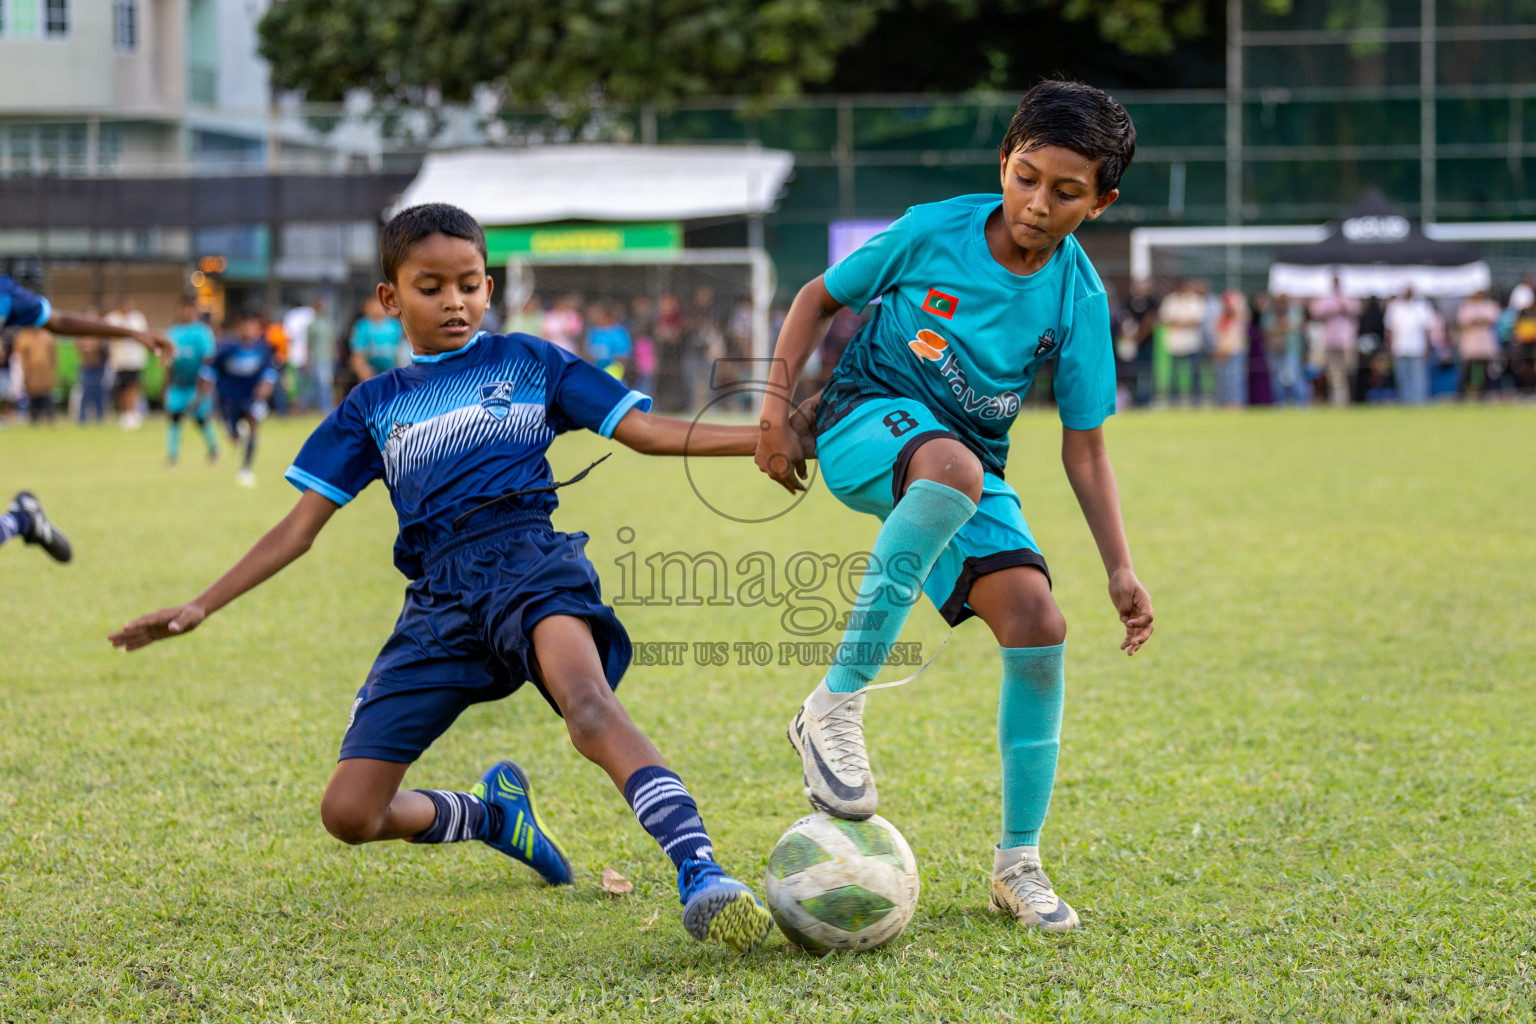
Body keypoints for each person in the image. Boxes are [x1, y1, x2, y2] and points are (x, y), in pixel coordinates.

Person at [110, 203, 806, 955]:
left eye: (469, 284)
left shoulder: (529, 362)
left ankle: (700, 872)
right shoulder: (371, 407)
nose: (455, 302)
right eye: (431, 287)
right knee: (349, 813)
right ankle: (489, 816)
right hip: (439, 601)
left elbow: (645, 431)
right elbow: (298, 530)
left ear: (488, 285)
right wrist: (200, 605)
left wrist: (762, 439)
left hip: (531, 564)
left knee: (588, 706)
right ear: (390, 300)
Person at [755, 80, 1154, 933]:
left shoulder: (1078, 299)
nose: (1037, 205)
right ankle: (833, 704)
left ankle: (1019, 865)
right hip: (865, 419)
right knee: (951, 467)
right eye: (1026, 177)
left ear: (1102, 202)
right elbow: (813, 301)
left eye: (1066, 191)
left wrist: (1120, 566)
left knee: (1039, 624)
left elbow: (1083, 445)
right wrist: (774, 408)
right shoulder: (932, 227)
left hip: (967, 467)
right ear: (1004, 161)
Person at [0, 275, 170, 562]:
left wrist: (130, 333)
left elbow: (59, 321)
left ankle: (22, 519)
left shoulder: (4, 292)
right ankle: (22, 519)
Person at [202, 311, 278, 486]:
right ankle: (235, 433)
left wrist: (264, 389)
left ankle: (245, 470)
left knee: (253, 426)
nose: (247, 329)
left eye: (251, 325)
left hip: (250, 398)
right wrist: (204, 394)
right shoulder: (226, 349)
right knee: (233, 435)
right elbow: (210, 372)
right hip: (228, 398)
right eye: (244, 325)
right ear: (238, 327)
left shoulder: (262, 349)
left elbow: (269, 375)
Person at [163, 297, 220, 466]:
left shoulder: (202, 332)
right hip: (178, 385)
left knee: (201, 419)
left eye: (190, 309)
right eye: (183, 308)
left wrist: (204, 387)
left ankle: (214, 450)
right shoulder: (173, 332)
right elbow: (168, 363)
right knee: (174, 418)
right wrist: (165, 386)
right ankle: (172, 456)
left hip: (196, 385)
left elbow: (208, 361)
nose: (186, 312)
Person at [1309, 277, 1359, 406]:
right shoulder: (1326, 298)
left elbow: (1356, 308)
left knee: (1349, 371)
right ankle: (1337, 401)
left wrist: (1344, 307)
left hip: (1347, 341)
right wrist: (1334, 308)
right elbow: (1315, 310)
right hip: (1331, 341)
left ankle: (1348, 400)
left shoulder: (1347, 297)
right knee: (1334, 373)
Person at [1157, 279, 1205, 405]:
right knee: (1175, 373)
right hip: (1175, 343)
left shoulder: (1195, 300)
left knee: (1194, 372)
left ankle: (1196, 398)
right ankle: (1174, 398)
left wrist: (1179, 322)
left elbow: (1197, 320)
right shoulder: (1170, 300)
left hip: (1191, 343)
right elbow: (1166, 319)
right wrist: (1183, 322)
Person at [106, 295, 151, 429]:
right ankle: (124, 413)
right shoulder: (112, 318)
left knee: (132, 386)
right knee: (120, 388)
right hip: (119, 361)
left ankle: (132, 413)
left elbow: (143, 335)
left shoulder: (137, 318)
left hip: (134, 360)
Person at [1385, 287, 1434, 405]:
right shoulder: (1394, 308)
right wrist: (1389, 345)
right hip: (1400, 347)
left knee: (1419, 376)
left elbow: (1427, 329)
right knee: (1402, 377)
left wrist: (1428, 345)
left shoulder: (1421, 307)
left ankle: (1419, 401)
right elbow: (1390, 329)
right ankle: (1406, 402)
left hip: (1417, 346)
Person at [1455, 290, 1500, 400]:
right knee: (1467, 370)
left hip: (1485, 344)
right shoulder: (1466, 306)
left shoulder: (1489, 304)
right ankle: (1461, 395)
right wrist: (1478, 320)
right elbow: (1463, 321)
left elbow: (1493, 318)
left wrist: (1479, 320)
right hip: (1470, 344)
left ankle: (1483, 394)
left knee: (1485, 370)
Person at [349, 297, 405, 382]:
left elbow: (402, 352)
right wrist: (364, 373)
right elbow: (357, 355)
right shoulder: (362, 326)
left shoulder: (395, 326)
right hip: (371, 374)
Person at [1211, 290, 1248, 408]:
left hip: (1234, 351)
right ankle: (1223, 402)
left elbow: (1236, 337)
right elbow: (1218, 336)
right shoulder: (1221, 319)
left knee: (1234, 379)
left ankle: (1236, 402)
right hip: (1222, 353)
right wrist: (1220, 350)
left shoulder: (1239, 319)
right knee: (1222, 379)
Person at [13, 325, 58, 424]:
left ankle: (50, 419)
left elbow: (53, 356)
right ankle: (34, 420)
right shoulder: (24, 336)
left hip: (46, 373)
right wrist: (25, 373)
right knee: (34, 398)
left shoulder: (47, 336)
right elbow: (21, 358)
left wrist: (53, 371)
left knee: (46, 397)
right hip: (31, 374)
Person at [305, 298, 338, 417]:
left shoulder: (328, 324)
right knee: (320, 385)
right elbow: (308, 343)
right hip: (318, 359)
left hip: (328, 359)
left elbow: (332, 341)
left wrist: (335, 355)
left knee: (327, 384)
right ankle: (323, 407)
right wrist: (308, 359)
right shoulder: (312, 325)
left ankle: (328, 407)